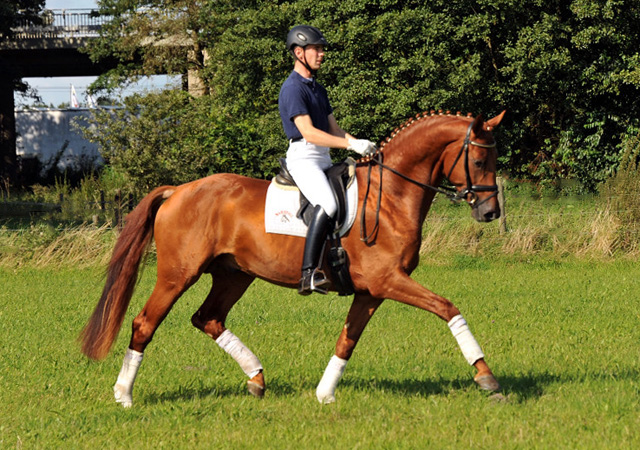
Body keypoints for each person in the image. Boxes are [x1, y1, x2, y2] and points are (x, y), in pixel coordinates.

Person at [278, 25, 377, 296]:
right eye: (316, 49)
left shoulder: (318, 89)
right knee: (329, 203)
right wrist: (349, 144)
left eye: (322, 49)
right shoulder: (292, 89)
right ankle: (308, 274)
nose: (322, 54)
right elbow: (309, 132)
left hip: (323, 156)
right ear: (299, 53)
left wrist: (361, 145)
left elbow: (334, 130)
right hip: (304, 158)